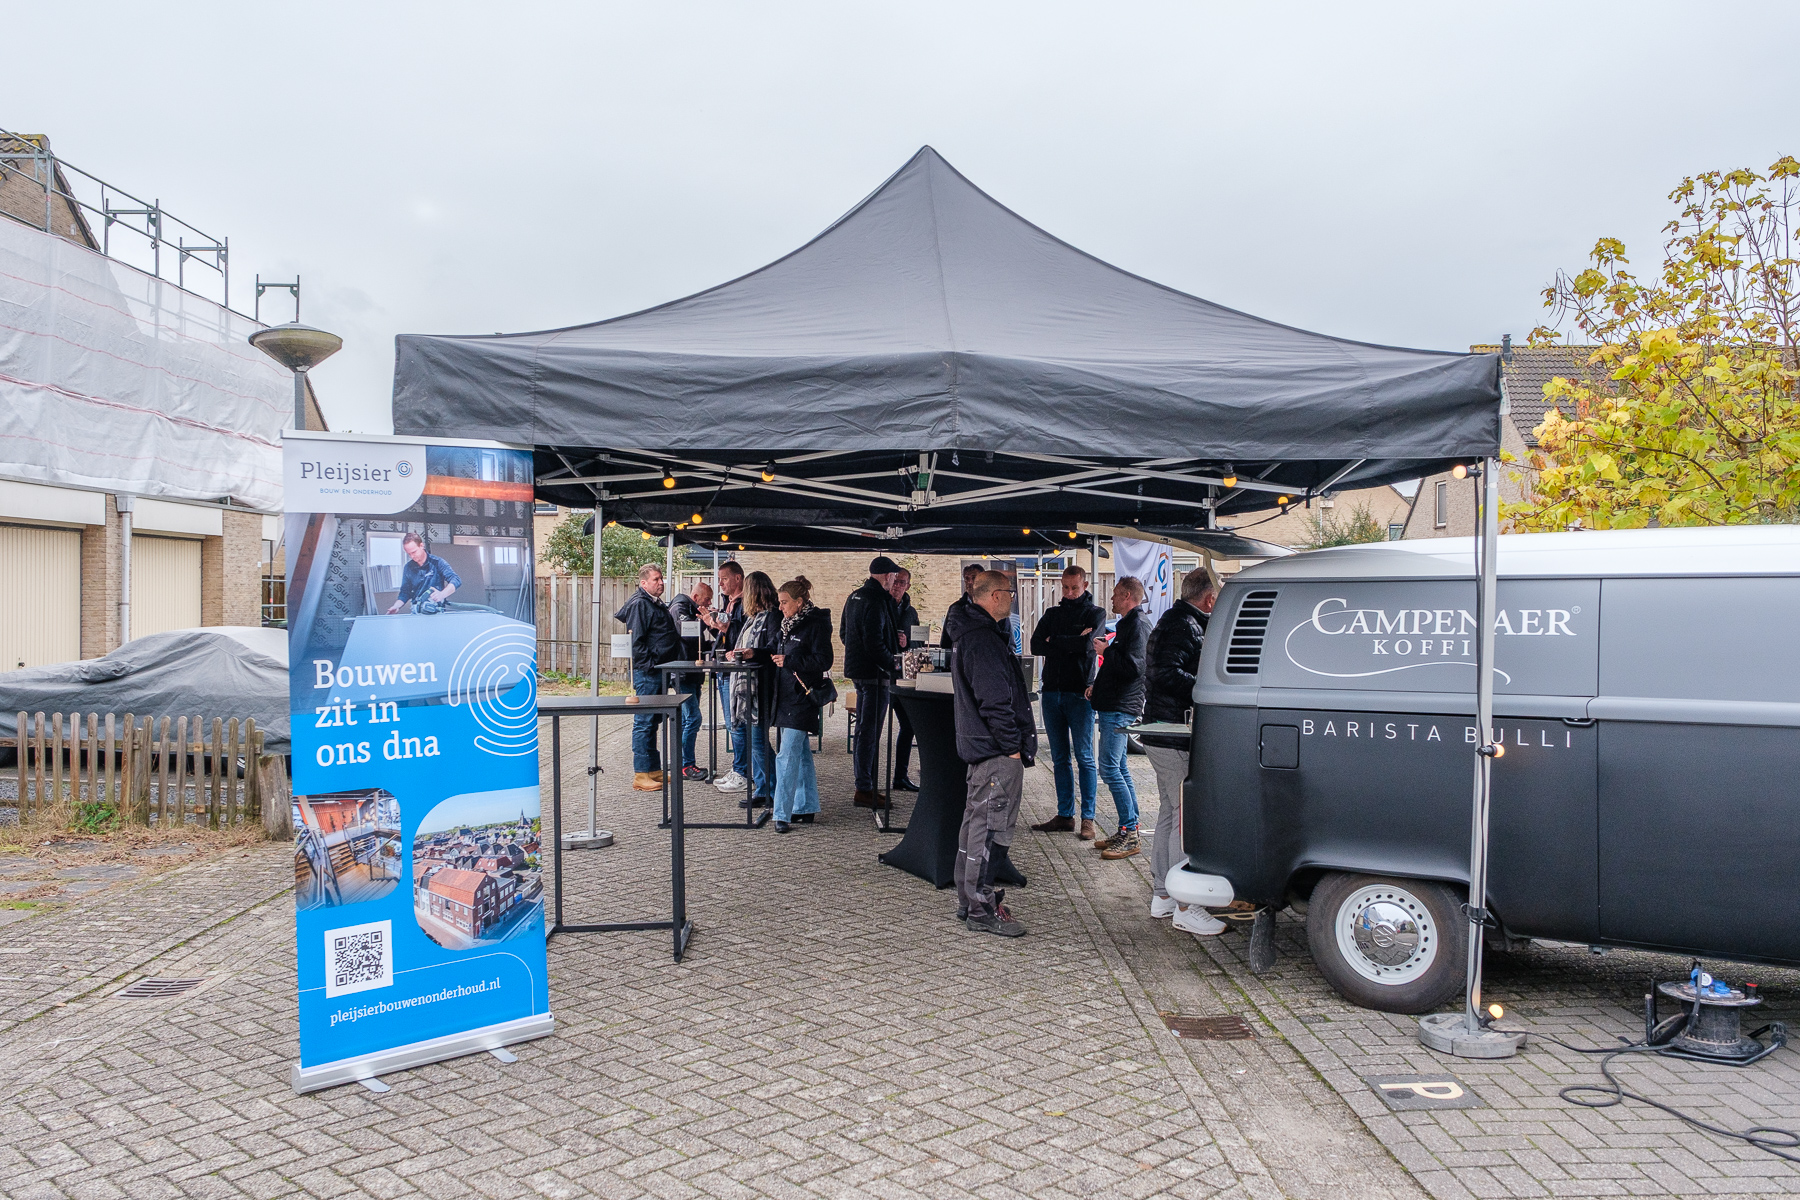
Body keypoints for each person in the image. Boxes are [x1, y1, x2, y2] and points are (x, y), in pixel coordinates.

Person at [951, 570, 1037, 936]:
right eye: (1010, 593)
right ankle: (981, 908)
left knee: (975, 826)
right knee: (990, 831)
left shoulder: (975, 633)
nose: (1013, 599)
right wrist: (1012, 748)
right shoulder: (983, 640)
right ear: (993, 596)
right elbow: (995, 703)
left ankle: (968, 899)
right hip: (995, 753)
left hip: (986, 751)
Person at [1144, 569, 1225, 936]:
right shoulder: (1183, 625)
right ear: (1209, 599)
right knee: (1181, 815)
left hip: (1164, 730)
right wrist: (1208, 687)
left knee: (1168, 812)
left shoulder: (1179, 620)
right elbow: (1165, 673)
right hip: (1171, 732)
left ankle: (1163, 895)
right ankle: (1186, 905)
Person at [1027, 565, 1106, 839]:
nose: (1069, 593)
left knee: (1085, 757)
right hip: (1051, 692)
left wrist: (1056, 640)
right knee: (1059, 757)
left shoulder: (1096, 614)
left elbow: (1087, 647)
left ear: (1085, 585)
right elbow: (1035, 646)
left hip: (1079, 693)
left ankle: (1088, 818)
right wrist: (1073, 639)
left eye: (1074, 587)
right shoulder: (1052, 613)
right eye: (1065, 587)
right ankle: (1064, 815)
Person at [1088, 575, 1150, 859]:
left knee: (1109, 768)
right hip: (1115, 701)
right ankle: (1128, 827)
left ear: (1127, 596)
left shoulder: (1136, 625)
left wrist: (1106, 650)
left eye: (1115, 594)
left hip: (1121, 705)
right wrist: (1096, 687)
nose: (1111, 599)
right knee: (1120, 767)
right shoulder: (1130, 624)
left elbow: (1133, 668)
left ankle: (1131, 833)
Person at [770, 575, 832, 833]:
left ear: (799, 601)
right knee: (801, 753)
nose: (780, 607)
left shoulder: (815, 624)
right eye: (779, 603)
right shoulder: (787, 625)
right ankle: (805, 807)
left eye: (784, 603)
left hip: (801, 698)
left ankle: (781, 813)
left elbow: (824, 661)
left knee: (786, 755)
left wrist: (790, 662)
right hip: (785, 697)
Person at [614, 563, 684, 791]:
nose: (661, 582)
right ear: (643, 583)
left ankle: (653, 770)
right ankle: (641, 773)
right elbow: (637, 642)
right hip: (649, 672)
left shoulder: (654, 603)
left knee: (653, 721)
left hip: (658, 670)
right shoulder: (640, 605)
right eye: (655, 579)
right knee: (644, 722)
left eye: (661, 578)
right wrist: (652, 665)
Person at [841, 555, 902, 808]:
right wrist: (893, 664)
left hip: (858, 671)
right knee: (869, 732)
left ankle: (866, 784)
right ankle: (864, 788)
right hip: (875, 675)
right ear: (887, 576)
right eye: (894, 578)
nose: (895, 582)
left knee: (865, 730)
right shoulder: (876, 600)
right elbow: (874, 643)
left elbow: (845, 634)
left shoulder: (854, 596)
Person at [728, 569, 780, 809]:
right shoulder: (753, 617)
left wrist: (750, 653)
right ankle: (763, 787)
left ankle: (770, 789)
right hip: (748, 687)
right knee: (753, 740)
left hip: (761, 687)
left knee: (758, 742)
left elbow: (772, 649)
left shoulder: (771, 617)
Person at [704, 562, 751, 794]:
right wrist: (714, 626)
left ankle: (743, 771)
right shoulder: (727, 602)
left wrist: (723, 626)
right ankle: (738, 768)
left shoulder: (745, 605)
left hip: (736, 669)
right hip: (723, 667)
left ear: (738, 579)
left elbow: (740, 637)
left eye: (724, 578)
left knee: (737, 723)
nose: (720, 583)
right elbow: (725, 635)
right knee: (732, 724)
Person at [665, 581, 714, 781]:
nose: (709, 603)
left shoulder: (688, 609)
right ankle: (686, 766)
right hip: (682, 672)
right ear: (696, 598)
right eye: (707, 599)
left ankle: (682, 763)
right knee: (693, 718)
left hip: (692, 671)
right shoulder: (680, 608)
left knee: (688, 720)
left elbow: (698, 640)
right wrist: (706, 620)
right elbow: (689, 634)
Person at [888, 567, 921, 791]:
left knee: (908, 725)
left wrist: (906, 641)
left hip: (905, 678)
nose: (898, 586)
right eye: (896, 581)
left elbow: (918, 645)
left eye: (903, 582)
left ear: (908, 586)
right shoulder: (881, 607)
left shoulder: (911, 612)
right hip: (882, 676)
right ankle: (865, 784)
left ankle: (900, 776)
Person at [386, 532, 460, 614]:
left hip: (436, 612)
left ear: (421, 546)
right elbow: (405, 592)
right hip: (417, 613)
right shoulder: (408, 568)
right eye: (409, 554)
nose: (412, 556)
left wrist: (442, 594)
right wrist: (396, 606)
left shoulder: (437, 563)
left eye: (414, 552)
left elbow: (456, 580)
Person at [939, 562, 984, 650]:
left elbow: (1008, 642)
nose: (970, 582)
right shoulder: (956, 609)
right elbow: (946, 641)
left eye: (974, 578)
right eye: (967, 578)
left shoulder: (994, 607)